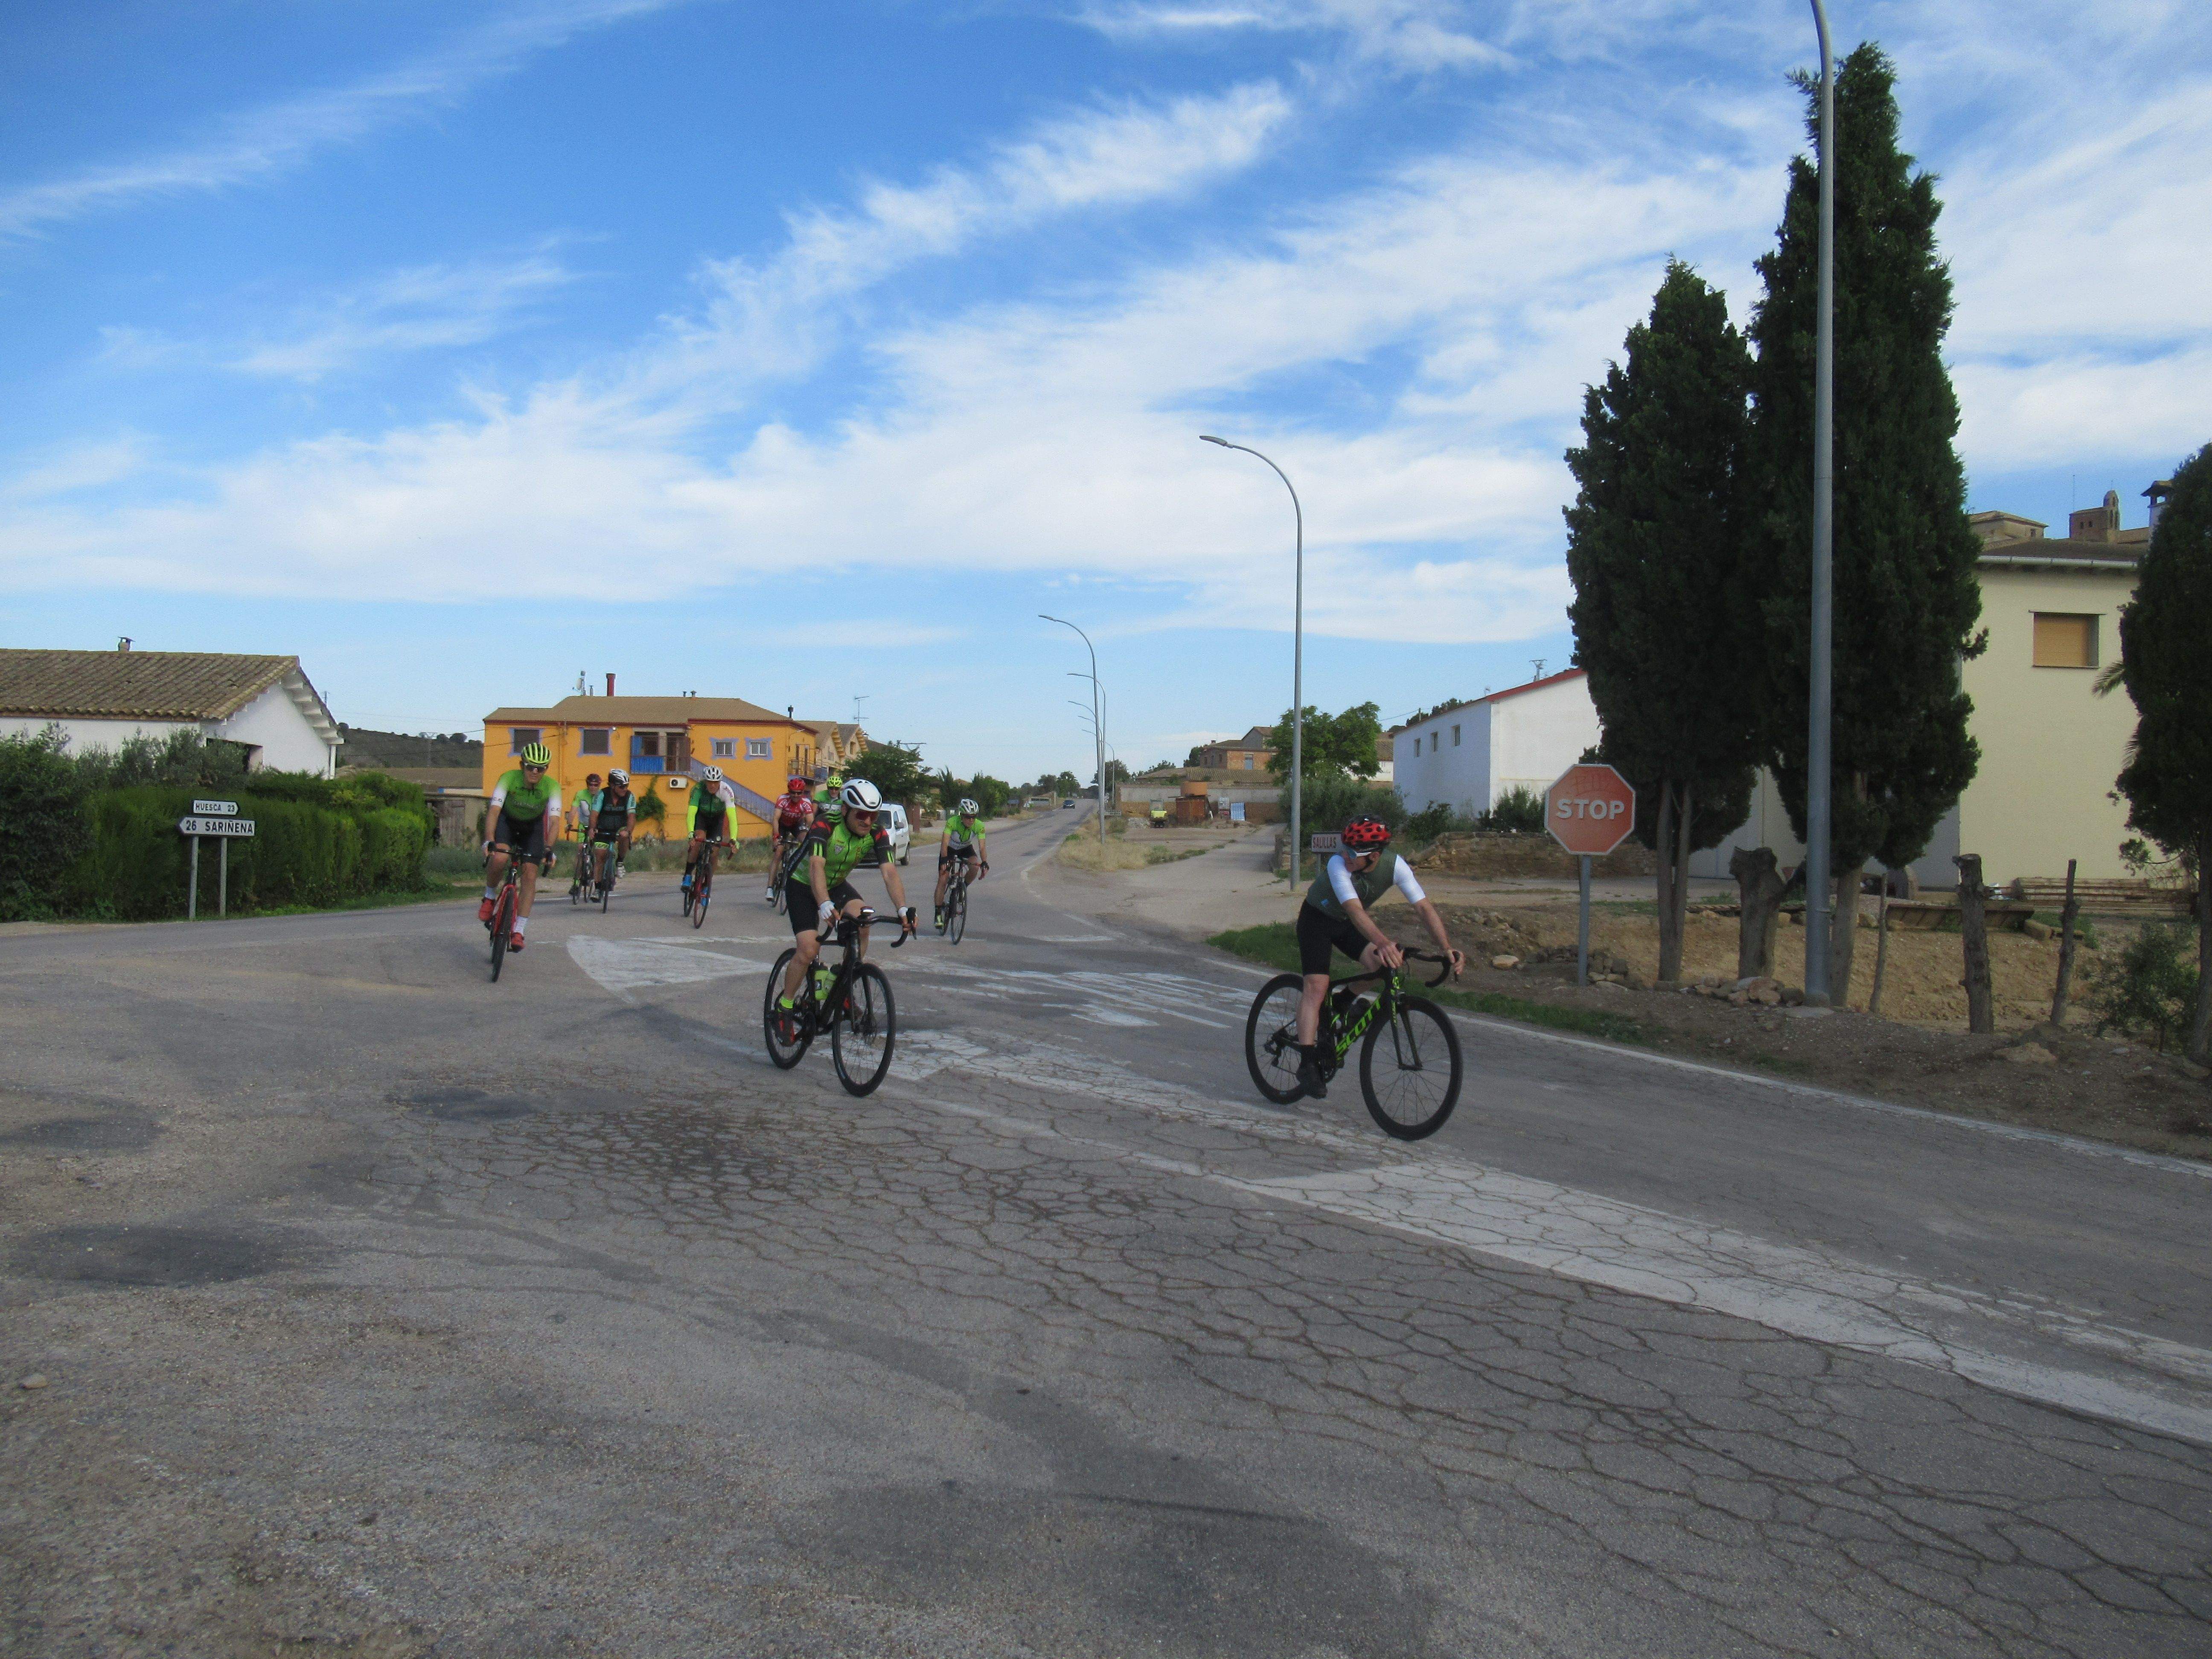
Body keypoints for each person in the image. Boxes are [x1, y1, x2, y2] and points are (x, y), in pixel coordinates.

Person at [1291, 816, 1463, 1097]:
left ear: (1374, 856)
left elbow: (1424, 909)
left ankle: (1345, 1001)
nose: (1343, 855)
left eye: (1351, 853)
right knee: (1317, 987)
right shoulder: (1338, 864)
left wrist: (1446, 948)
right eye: (1343, 848)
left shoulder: (1395, 866)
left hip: (1346, 924)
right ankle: (1307, 1063)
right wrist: (1382, 941)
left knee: (1381, 964)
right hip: (1317, 921)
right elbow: (1356, 910)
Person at [774, 778, 915, 1026]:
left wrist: (902, 910)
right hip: (802, 885)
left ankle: (840, 980)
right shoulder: (824, 825)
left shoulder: (877, 833)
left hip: (836, 884)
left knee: (864, 919)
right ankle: (784, 1008)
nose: (868, 821)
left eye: (873, 815)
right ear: (845, 810)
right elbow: (817, 866)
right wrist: (824, 904)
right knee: (808, 950)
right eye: (861, 814)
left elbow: (890, 873)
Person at [479, 744, 562, 952]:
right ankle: (490, 897)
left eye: (541, 768)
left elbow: (554, 822)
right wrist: (489, 840)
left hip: (532, 828)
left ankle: (519, 930)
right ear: (521, 765)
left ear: (546, 769)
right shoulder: (508, 778)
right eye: (530, 767)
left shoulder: (552, 787)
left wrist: (549, 848)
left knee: (530, 875)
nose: (535, 772)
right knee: (499, 858)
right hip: (508, 823)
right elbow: (494, 812)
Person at [681, 766, 740, 899]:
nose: (713, 786)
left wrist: (733, 839)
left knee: (714, 852)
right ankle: (688, 875)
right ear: (705, 781)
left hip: (717, 820)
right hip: (701, 818)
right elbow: (691, 812)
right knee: (697, 841)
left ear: (720, 782)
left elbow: (732, 818)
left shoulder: (727, 791)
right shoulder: (698, 789)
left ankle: (707, 885)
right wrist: (691, 833)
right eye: (710, 782)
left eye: (716, 782)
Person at [933, 797, 988, 930]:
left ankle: (963, 887)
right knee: (943, 878)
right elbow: (945, 843)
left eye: (974, 817)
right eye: (968, 817)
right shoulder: (952, 822)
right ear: (962, 815)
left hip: (966, 848)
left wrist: (985, 862)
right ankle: (938, 913)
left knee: (975, 866)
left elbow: (982, 848)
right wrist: (945, 859)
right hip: (950, 849)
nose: (971, 820)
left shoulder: (979, 825)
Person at [767, 774, 818, 902]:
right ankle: (770, 887)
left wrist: (813, 838)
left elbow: (811, 822)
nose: (796, 796)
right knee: (778, 853)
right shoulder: (783, 799)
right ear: (789, 792)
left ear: (802, 793)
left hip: (797, 825)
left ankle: (799, 866)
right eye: (793, 793)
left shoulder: (806, 802)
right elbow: (776, 819)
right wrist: (776, 837)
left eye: (799, 793)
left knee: (806, 840)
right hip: (783, 825)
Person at [587, 768, 637, 889]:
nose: (625, 789)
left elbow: (631, 816)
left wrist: (629, 831)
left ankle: (620, 861)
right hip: (603, 827)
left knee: (625, 836)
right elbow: (594, 815)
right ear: (612, 786)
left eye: (626, 786)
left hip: (620, 827)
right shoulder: (602, 795)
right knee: (600, 857)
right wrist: (592, 829)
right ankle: (598, 887)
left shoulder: (630, 796)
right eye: (621, 786)